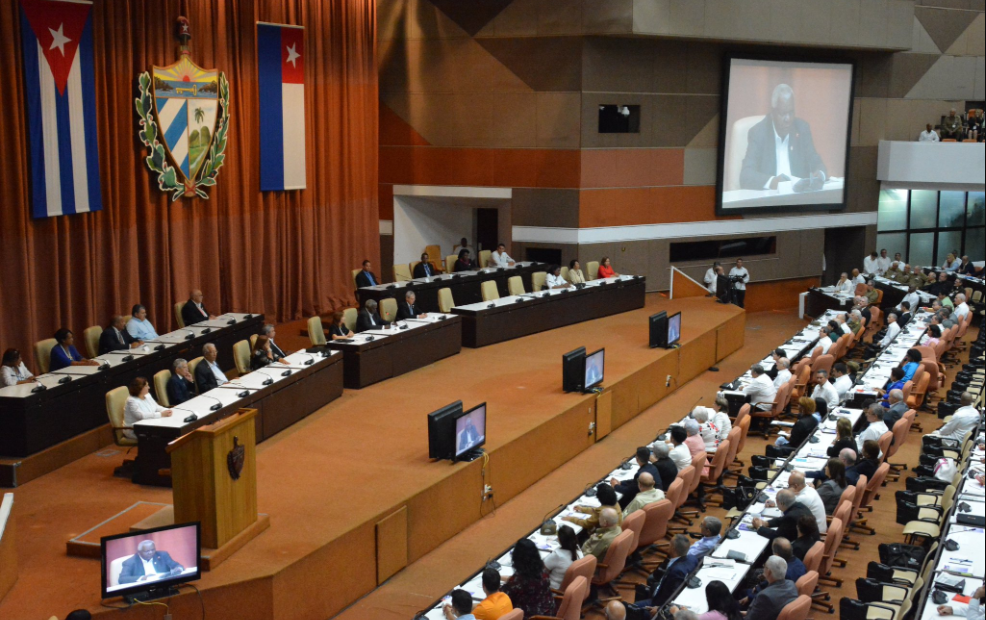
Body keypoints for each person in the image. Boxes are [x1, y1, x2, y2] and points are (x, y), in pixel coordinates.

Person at [739, 84, 826, 191]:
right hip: (769, 200)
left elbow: (817, 163)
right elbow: (746, 175)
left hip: (798, 200)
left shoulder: (801, 129)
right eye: (783, 113)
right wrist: (772, 182)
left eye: (791, 112)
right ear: (773, 113)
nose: (788, 119)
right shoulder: (759, 133)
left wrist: (820, 175)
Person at [740, 539, 806, 609]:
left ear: (777, 555)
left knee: (740, 592)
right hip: (786, 596)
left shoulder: (785, 573)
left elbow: (770, 592)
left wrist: (750, 597)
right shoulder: (799, 562)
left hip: (771, 603)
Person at [637, 535, 697, 609]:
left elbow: (671, 596)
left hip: (658, 602)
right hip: (660, 587)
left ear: (673, 548)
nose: (668, 545)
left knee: (632, 608)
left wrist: (658, 608)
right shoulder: (692, 559)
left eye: (670, 544)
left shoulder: (676, 571)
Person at [500, 539, 554, 617]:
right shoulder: (543, 571)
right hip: (548, 614)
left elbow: (501, 597)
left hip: (528, 617)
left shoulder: (517, 581)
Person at [745, 556, 799, 620]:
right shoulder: (791, 584)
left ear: (769, 572)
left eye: (765, 566)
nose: (763, 566)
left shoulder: (764, 596)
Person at [117, 540, 184, 584]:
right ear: (139, 552)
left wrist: (178, 569)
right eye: (147, 551)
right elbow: (122, 579)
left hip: (163, 585)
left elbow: (177, 566)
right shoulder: (130, 562)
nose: (150, 553)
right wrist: (143, 578)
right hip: (142, 590)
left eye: (152, 550)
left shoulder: (162, 555)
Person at [544, 526, 582, 590]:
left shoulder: (557, 555)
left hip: (554, 589)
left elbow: (544, 570)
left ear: (559, 539)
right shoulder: (577, 549)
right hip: (572, 587)